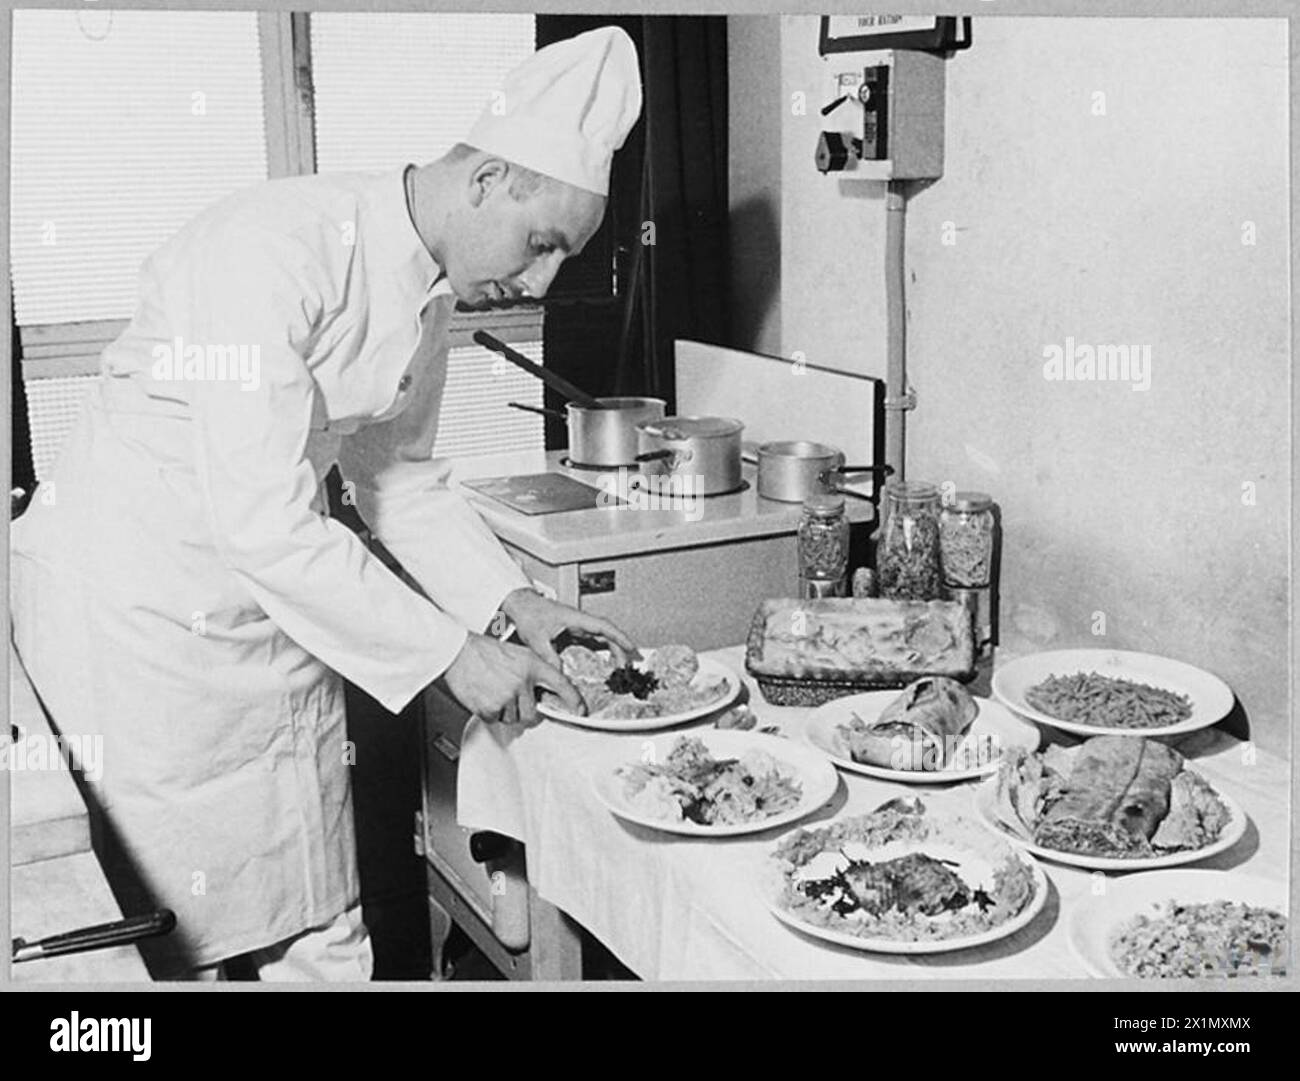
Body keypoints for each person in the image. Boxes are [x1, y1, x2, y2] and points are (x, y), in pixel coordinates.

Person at [9, 26, 643, 980]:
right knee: (172, 936)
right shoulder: (272, 249)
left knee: (314, 911)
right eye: (542, 243)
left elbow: (397, 481)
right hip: (139, 628)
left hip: (269, 612)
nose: (541, 281)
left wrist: (513, 606)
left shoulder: (426, 296)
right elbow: (263, 519)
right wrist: (452, 655)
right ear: (486, 181)